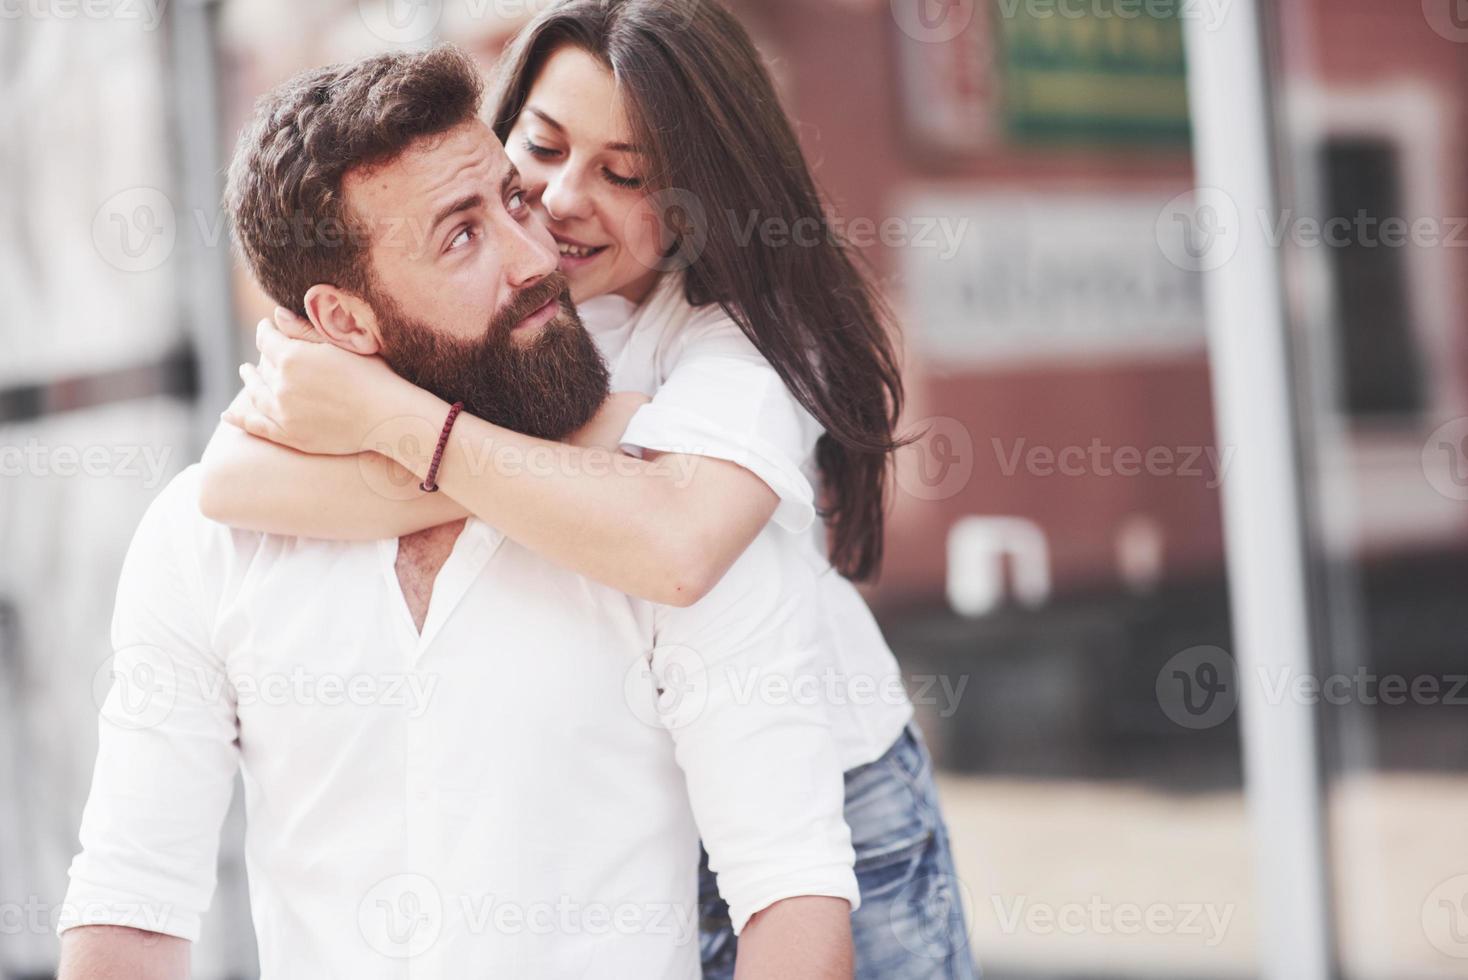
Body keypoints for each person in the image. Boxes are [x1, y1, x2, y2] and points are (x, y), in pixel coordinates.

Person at [204, 2, 975, 976]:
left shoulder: (748, 338)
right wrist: (598, 450)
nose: (563, 200)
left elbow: (680, 544)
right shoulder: (475, 284)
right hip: (624, 819)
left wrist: (394, 426)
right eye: (542, 143)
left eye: (625, 175)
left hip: (823, 811)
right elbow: (233, 478)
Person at [57, 46, 860, 979]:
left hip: (865, 791)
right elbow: (132, 905)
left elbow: (789, 893)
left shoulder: (686, 458)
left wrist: (396, 417)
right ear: (344, 324)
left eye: (509, 203)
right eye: (463, 234)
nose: (539, 251)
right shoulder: (205, 543)